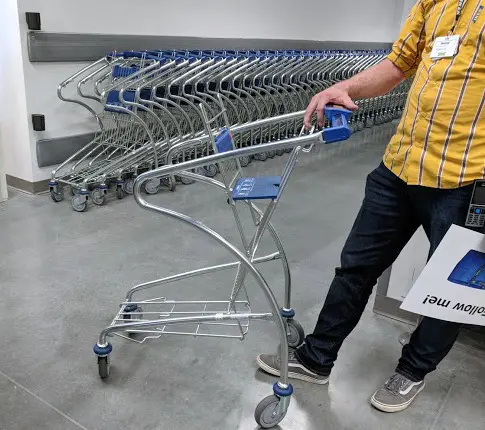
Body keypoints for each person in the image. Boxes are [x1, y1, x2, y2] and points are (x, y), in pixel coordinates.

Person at [257, 0, 485, 413]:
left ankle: (412, 371)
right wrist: (345, 88)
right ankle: (316, 358)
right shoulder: (434, 3)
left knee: (446, 291)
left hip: (466, 179)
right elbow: (399, 65)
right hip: (400, 165)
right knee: (355, 268)